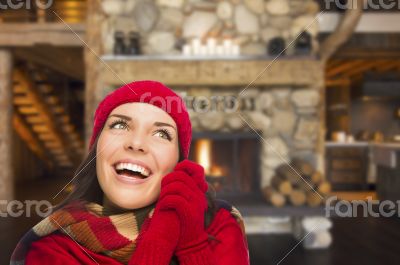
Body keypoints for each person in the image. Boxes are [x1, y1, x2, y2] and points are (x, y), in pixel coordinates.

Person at [11, 80, 250, 265]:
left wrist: (192, 245)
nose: (136, 143)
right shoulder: (51, 247)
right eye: (120, 125)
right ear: (97, 149)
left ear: (178, 163)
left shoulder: (219, 224)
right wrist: (158, 242)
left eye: (161, 134)